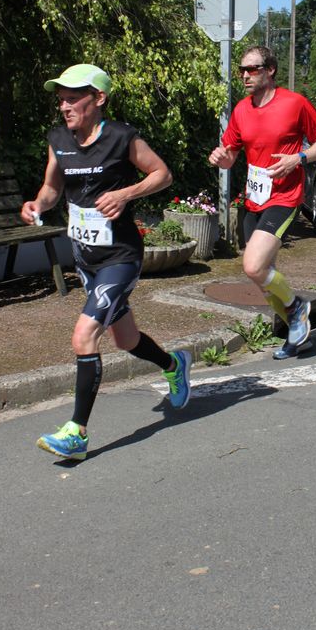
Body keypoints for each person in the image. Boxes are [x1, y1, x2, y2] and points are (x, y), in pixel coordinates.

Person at [21, 63, 192, 461]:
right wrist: (37, 204)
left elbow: (162, 174)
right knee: (125, 339)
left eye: (72, 98)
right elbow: (51, 188)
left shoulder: (121, 137)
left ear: (99, 98)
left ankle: (76, 434)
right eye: (60, 99)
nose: (64, 106)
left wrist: (125, 194)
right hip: (85, 258)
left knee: (84, 336)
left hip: (120, 256)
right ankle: (173, 364)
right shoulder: (58, 139)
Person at [209, 46, 316, 359]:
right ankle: (298, 336)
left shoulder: (294, 103)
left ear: (270, 70)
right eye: (242, 70)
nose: (245, 75)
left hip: (285, 196)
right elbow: (230, 156)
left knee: (253, 265)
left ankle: (296, 308)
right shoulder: (241, 110)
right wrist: (221, 158)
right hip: (255, 197)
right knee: (265, 277)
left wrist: (299, 158)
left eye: (252, 69)